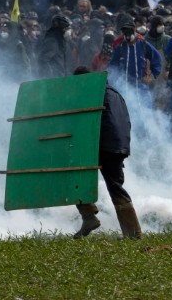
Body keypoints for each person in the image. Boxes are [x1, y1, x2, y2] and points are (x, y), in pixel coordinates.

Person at [72, 66, 142, 240]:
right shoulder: (115, 92)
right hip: (119, 146)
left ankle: (89, 216)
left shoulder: (93, 92)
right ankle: (133, 233)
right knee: (116, 187)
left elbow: (85, 121)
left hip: (103, 143)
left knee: (75, 176)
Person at [36, 13, 73, 78]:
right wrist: (50, 77)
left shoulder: (61, 41)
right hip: (54, 81)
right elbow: (43, 60)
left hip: (61, 79)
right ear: (61, 29)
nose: (69, 31)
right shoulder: (52, 41)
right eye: (66, 28)